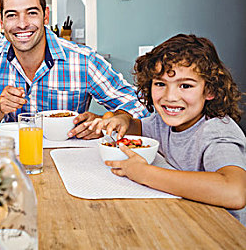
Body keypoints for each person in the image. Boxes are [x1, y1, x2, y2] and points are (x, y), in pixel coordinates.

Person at [87, 34, 246, 224]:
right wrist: (123, 120)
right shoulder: (163, 122)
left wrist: (144, 173)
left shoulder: (217, 131)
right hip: (181, 218)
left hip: (216, 231)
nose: (170, 97)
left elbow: (234, 191)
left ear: (210, 90)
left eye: (185, 85)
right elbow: (139, 129)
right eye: (160, 84)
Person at [0, 0, 148, 136]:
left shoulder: (83, 60)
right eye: (12, 15)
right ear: (1, 21)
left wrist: (102, 121)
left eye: (32, 13)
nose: (22, 24)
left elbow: (140, 107)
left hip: (69, 158)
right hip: (13, 156)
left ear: (46, 16)